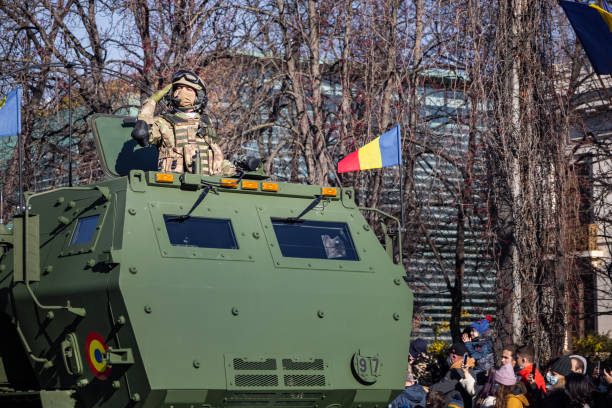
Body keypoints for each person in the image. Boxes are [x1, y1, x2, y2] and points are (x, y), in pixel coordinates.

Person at [132, 69, 234, 176]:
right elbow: (140, 134)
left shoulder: (206, 123)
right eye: (179, 88)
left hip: (209, 186)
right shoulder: (163, 122)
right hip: (175, 185)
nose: (182, 92)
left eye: (189, 89)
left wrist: (235, 168)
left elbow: (216, 158)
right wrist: (152, 101)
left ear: (198, 96)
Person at [430, 343, 477, 408]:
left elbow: (439, 388)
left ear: (454, 356)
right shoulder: (470, 368)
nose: (447, 357)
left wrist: (428, 388)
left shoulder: (456, 371)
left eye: (448, 354)